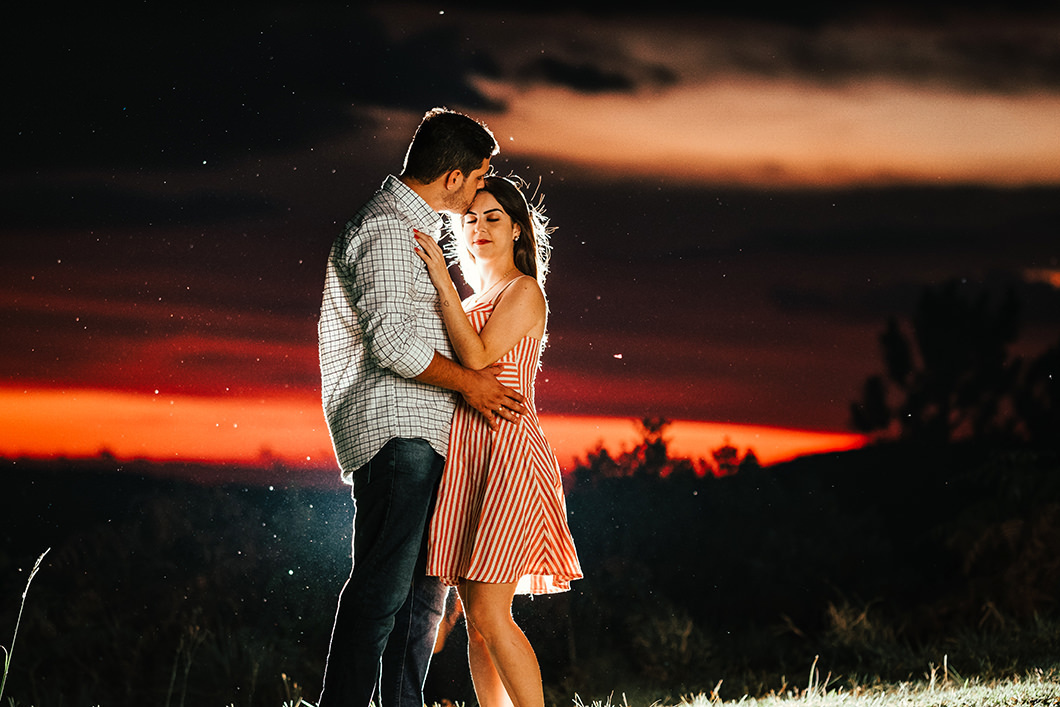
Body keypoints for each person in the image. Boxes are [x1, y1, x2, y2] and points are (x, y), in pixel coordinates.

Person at [317, 108, 527, 707]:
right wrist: (472, 385)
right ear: (455, 175)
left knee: (423, 601)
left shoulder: (414, 233)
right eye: (479, 177)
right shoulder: (385, 230)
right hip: (397, 435)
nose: (476, 197)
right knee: (383, 592)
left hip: (428, 439)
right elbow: (392, 344)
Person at [413, 176, 583, 707]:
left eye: (493, 219)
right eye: (470, 219)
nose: (480, 228)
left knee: (490, 612)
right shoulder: (478, 295)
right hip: (469, 460)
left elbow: (478, 359)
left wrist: (441, 283)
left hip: (508, 455)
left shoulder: (522, 290)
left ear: (516, 231)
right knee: (475, 624)